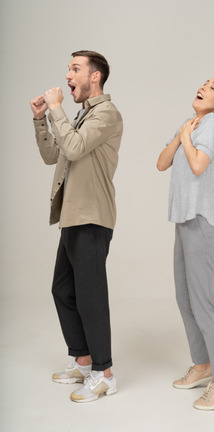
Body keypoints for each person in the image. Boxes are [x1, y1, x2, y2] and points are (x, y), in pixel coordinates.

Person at [30, 50, 123, 403]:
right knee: (63, 291)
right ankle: (83, 362)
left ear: (95, 77)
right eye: (69, 68)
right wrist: (41, 119)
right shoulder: (83, 116)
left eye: (75, 69)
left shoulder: (107, 114)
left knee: (91, 297)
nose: (68, 75)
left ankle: (104, 373)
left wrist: (57, 109)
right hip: (72, 216)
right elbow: (54, 154)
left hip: (92, 217)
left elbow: (74, 145)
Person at [157, 74, 214, 410]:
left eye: (213, 87)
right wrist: (181, 135)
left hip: (203, 225)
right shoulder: (191, 124)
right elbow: (161, 162)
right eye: (205, 83)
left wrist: (187, 138)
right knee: (184, 299)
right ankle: (203, 365)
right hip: (184, 222)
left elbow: (197, 165)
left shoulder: (213, 125)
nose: (204, 87)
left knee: (203, 305)